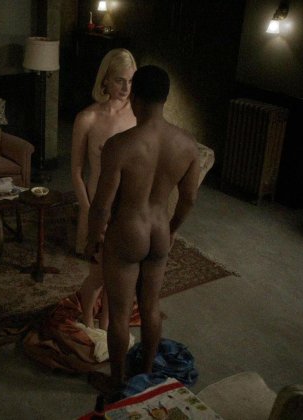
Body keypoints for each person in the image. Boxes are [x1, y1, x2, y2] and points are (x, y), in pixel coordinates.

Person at [85, 65, 202, 394]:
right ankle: (147, 375)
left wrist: (93, 238)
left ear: (134, 98)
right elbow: (189, 199)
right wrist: (172, 228)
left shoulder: (120, 145)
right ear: (165, 99)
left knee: (120, 313)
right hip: (159, 230)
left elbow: (102, 205)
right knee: (151, 307)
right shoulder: (188, 144)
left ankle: (117, 382)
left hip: (128, 231)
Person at [71, 48, 137, 330]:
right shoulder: (88, 118)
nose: (126, 88)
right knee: (98, 274)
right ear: (106, 79)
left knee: (119, 275)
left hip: (128, 206)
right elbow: (76, 171)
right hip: (98, 206)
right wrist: (89, 212)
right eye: (120, 80)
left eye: (131, 81)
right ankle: (87, 320)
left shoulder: (138, 115)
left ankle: (107, 322)